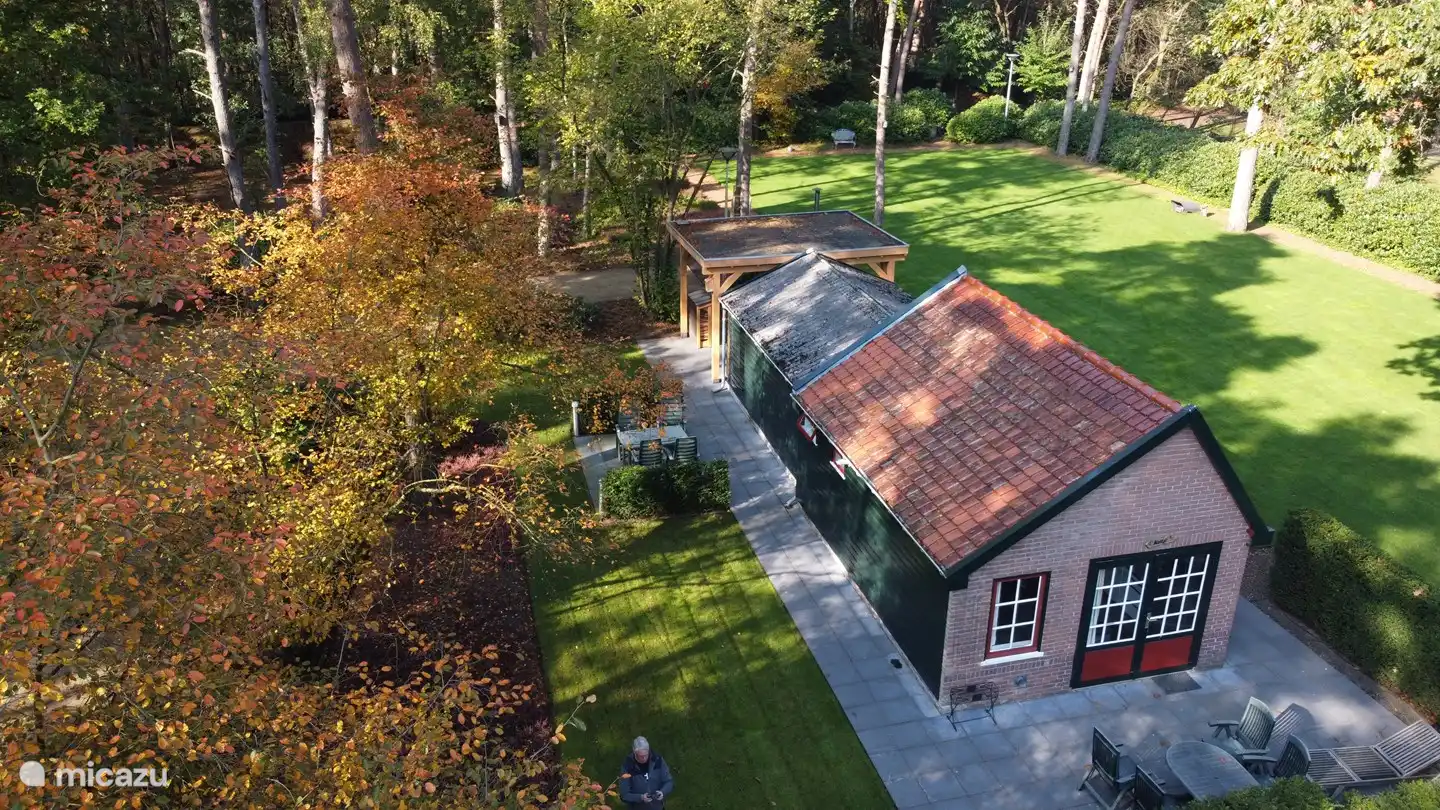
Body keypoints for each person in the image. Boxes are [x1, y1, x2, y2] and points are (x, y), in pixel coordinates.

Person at [619, 736, 673, 808]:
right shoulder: (628, 766)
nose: (644, 758)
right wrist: (640, 797)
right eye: (640, 756)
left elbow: (668, 782)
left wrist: (663, 792)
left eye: (645, 755)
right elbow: (624, 795)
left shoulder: (657, 760)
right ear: (635, 753)